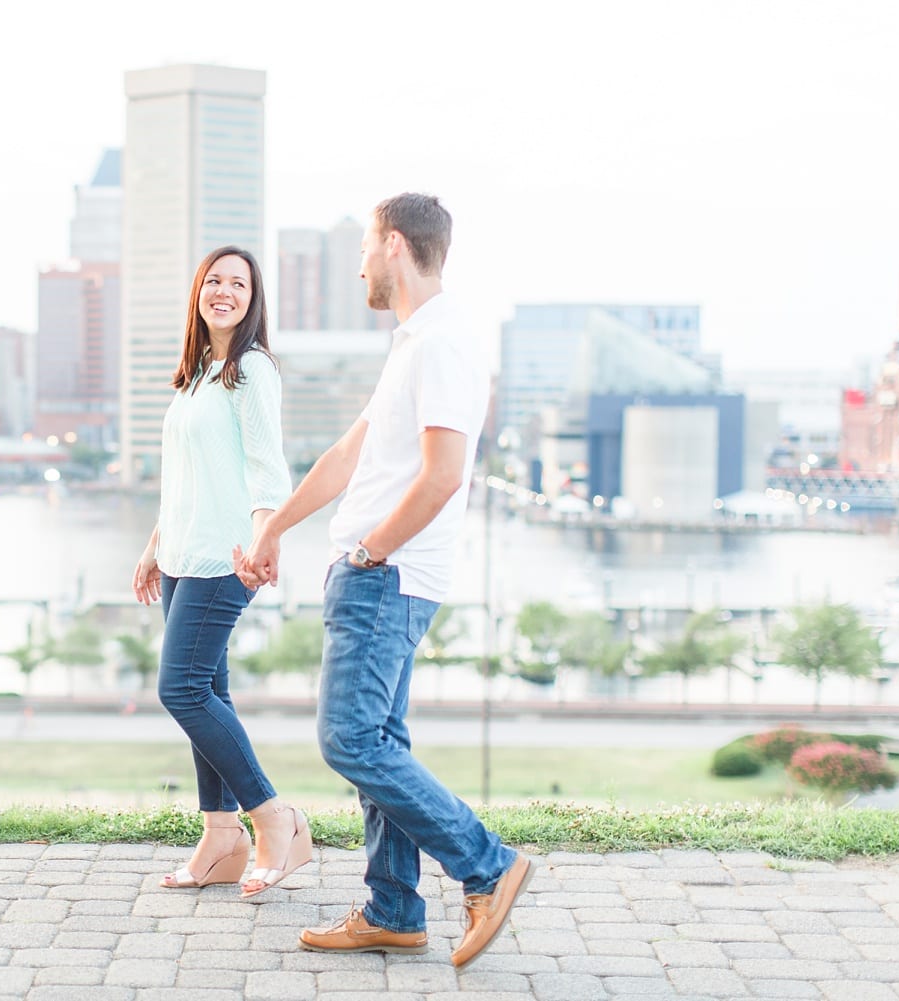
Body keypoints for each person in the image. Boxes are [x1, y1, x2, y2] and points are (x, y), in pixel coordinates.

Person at [236, 194, 533, 967]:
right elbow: (347, 455)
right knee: (382, 739)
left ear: (395, 244)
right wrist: (274, 526)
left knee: (349, 738)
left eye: (367, 247)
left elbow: (442, 476)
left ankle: (487, 864)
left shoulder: (441, 345)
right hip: (380, 572)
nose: (360, 263)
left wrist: (370, 551)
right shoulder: (416, 342)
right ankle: (394, 909)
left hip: (386, 575)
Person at [131, 245, 313, 899]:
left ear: (252, 298)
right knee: (210, 692)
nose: (225, 291)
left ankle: (274, 819)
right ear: (198, 293)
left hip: (223, 558)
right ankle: (220, 835)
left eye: (238, 283)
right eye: (214, 280)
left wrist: (268, 539)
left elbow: (268, 465)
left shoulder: (251, 371)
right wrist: (154, 545)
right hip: (181, 556)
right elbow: (185, 477)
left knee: (180, 688)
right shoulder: (197, 373)